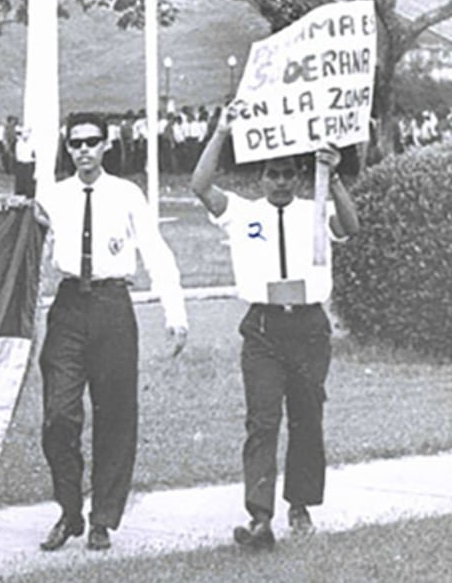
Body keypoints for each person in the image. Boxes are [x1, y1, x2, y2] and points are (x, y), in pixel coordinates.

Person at [190, 102, 360, 551]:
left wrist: (334, 174)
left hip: (308, 327)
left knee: (306, 418)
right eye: (272, 174)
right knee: (262, 421)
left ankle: (300, 505)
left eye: (288, 174)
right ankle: (259, 517)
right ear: (260, 178)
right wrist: (222, 132)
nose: (281, 182)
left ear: (299, 178)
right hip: (263, 327)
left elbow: (351, 225)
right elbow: (200, 185)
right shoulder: (244, 213)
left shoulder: (315, 207)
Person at [37, 112, 188, 552]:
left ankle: (103, 516)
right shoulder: (52, 196)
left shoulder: (126, 194)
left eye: (92, 142)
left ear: (106, 145)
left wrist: (174, 313)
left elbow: (155, 251)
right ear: (67, 148)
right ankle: (69, 510)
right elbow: (23, 248)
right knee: (59, 415)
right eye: (76, 143)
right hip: (68, 307)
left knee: (116, 415)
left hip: (112, 305)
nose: (84, 150)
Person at [14, 126, 36, 198]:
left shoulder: (32, 143)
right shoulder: (18, 143)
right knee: (21, 180)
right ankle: (20, 194)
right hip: (21, 164)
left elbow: (34, 154)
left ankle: (30, 194)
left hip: (29, 163)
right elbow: (18, 155)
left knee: (29, 181)